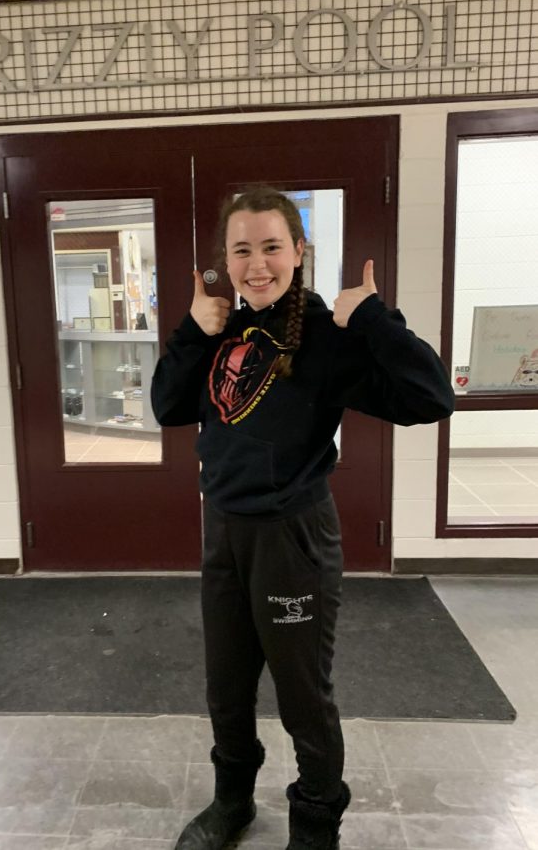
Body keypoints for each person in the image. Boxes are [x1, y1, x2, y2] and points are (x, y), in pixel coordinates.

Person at [151, 185, 455, 850]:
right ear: (224, 260)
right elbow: (167, 408)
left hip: (293, 536)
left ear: (297, 251)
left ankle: (315, 823)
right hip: (223, 530)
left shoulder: (327, 335)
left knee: (301, 696)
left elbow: (430, 398)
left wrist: (375, 318)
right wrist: (190, 329)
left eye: (269, 247)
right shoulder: (218, 326)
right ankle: (231, 801)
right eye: (241, 250)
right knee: (226, 689)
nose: (255, 263)